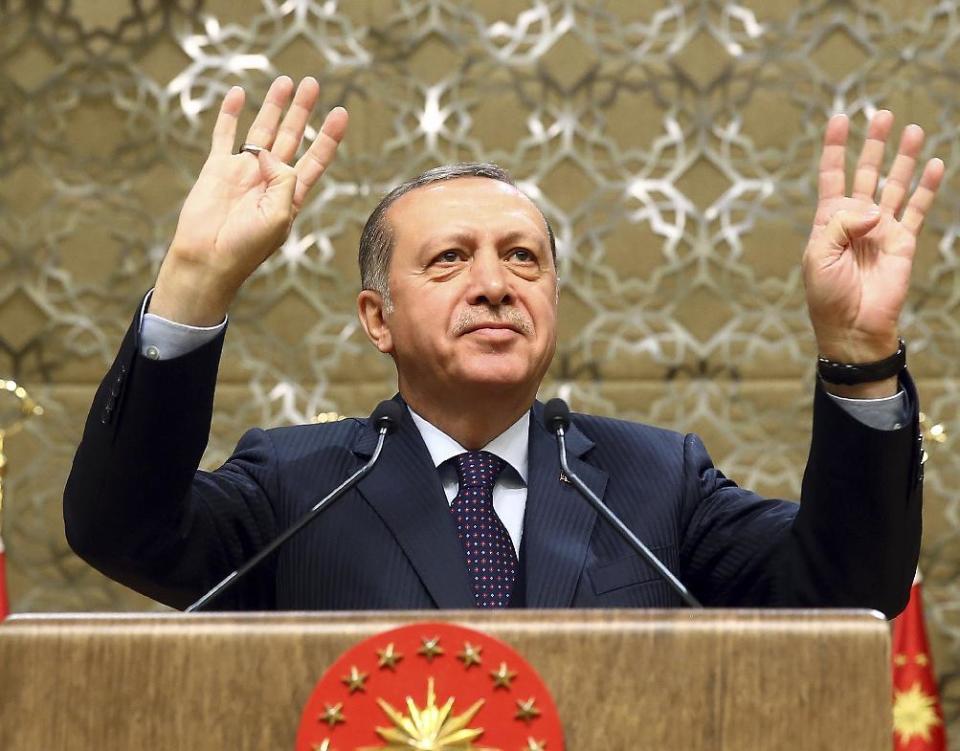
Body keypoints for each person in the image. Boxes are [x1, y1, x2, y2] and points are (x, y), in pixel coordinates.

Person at [63, 76, 943, 616]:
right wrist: (192, 283)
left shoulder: (657, 482)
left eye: (523, 257)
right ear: (378, 318)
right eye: (449, 259)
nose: (495, 283)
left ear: (554, 299)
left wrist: (858, 352)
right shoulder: (297, 486)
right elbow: (123, 530)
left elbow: (849, 591)